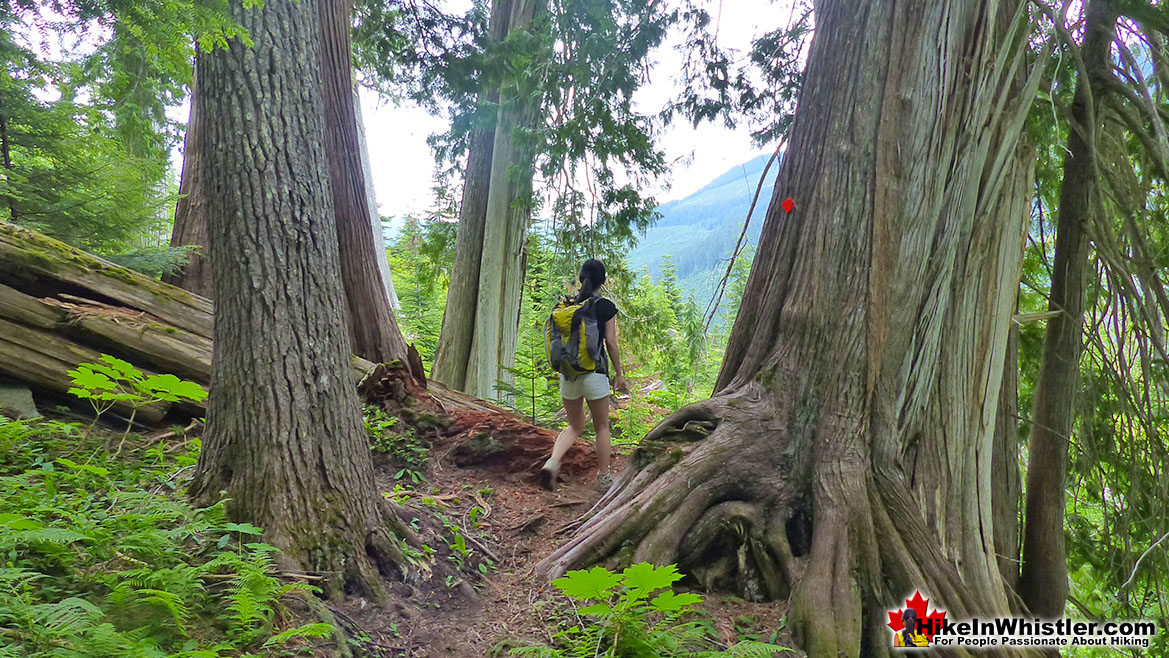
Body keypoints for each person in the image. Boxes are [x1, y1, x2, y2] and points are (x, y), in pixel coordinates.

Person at [540, 259, 627, 491]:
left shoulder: (567, 305)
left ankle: (552, 462)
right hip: (595, 375)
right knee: (602, 427)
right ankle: (604, 478)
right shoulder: (605, 306)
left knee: (574, 426)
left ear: (581, 278)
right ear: (603, 281)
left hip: (568, 376)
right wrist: (619, 375)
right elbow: (611, 342)